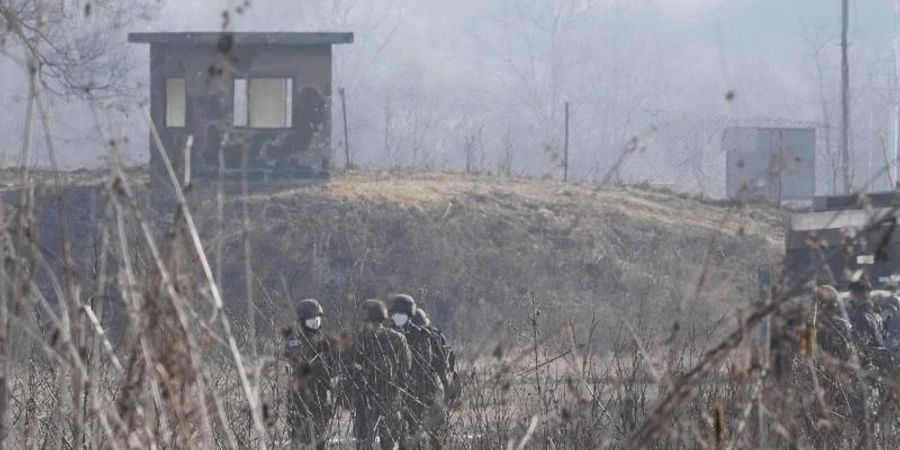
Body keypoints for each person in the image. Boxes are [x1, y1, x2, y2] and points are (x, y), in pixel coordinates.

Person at [347, 299, 411, 450]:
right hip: (391, 397)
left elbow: (347, 367)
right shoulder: (398, 338)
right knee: (390, 443)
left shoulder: (357, 339)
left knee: (363, 442)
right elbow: (406, 367)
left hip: (365, 397)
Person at [388, 295, 445, 448]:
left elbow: (425, 365)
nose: (398, 317)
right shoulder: (387, 336)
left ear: (410, 314)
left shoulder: (421, 336)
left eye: (402, 314)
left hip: (417, 392)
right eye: (395, 313)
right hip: (394, 393)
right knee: (398, 435)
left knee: (416, 434)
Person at [283, 299, 336, 449]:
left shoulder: (326, 341)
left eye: (317, 319)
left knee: (319, 438)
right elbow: (293, 365)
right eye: (311, 320)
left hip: (321, 396)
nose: (315, 323)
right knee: (300, 438)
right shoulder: (295, 342)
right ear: (302, 320)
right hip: (300, 397)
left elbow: (334, 367)